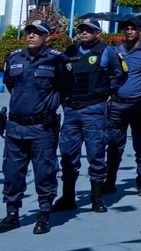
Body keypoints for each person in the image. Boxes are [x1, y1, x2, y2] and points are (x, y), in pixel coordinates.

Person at [0, 20, 69, 235]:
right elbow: (10, 85)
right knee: (12, 172)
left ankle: (44, 214)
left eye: (37, 33)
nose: (32, 36)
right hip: (16, 127)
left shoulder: (56, 60)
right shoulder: (15, 58)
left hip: (42, 129)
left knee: (45, 171)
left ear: (47, 37)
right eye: (29, 32)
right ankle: (12, 214)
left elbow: (65, 87)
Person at [55, 17, 121, 215]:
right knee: (68, 155)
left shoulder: (106, 51)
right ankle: (68, 197)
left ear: (97, 33)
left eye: (89, 30)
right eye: (82, 29)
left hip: (95, 110)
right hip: (71, 111)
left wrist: (105, 92)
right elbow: (61, 77)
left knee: (96, 155)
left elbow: (119, 74)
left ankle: (97, 198)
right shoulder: (70, 51)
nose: (84, 32)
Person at [107, 15, 141, 197]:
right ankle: (110, 180)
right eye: (126, 28)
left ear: (139, 31)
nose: (129, 31)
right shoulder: (114, 51)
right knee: (114, 145)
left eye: (133, 28)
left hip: (140, 106)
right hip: (117, 106)